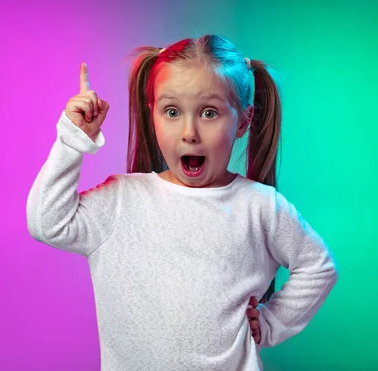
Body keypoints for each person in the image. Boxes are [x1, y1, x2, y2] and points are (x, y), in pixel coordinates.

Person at [26, 34, 338, 371]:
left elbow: (318, 266)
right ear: (153, 116)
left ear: (243, 122)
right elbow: (48, 223)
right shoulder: (121, 200)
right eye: (172, 111)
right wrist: (72, 141)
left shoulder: (260, 206)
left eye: (208, 112)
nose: (189, 132)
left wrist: (271, 323)